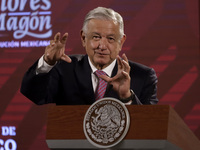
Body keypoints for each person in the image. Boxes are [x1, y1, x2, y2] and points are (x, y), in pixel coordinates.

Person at [20, 7, 158, 105]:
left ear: (121, 42)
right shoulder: (65, 69)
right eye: (96, 37)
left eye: (110, 39)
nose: (102, 46)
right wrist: (47, 63)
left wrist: (127, 97)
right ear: (83, 38)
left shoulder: (143, 76)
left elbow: (152, 126)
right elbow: (35, 96)